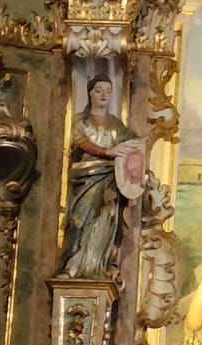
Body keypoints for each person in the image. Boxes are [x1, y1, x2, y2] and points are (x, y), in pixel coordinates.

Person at [60, 74, 142, 278]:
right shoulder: (80, 121)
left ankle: (98, 264)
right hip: (87, 177)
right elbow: (80, 142)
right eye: (99, 90)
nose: (104, 95)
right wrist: (107, 152)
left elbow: (133, 143)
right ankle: (74, 265)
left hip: (110, 180)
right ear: (90, 93)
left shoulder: (116, 124)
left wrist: (140, 147)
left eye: (108, 91)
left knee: (106, 218)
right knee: (82, 217)